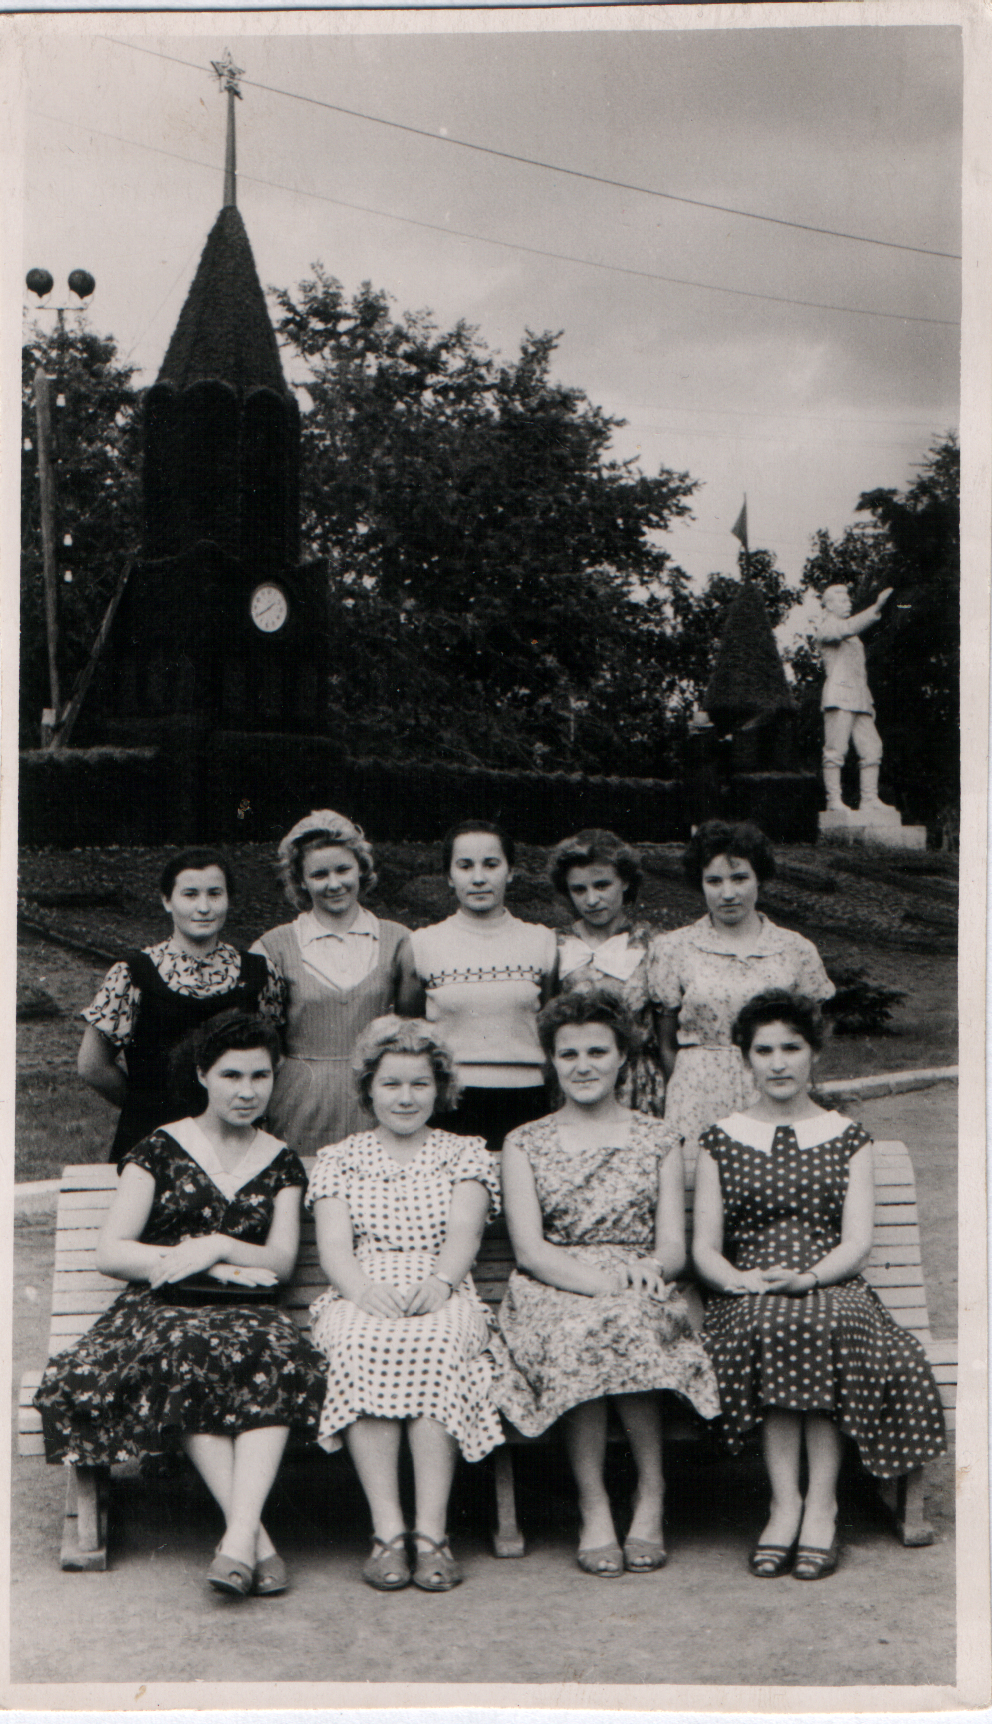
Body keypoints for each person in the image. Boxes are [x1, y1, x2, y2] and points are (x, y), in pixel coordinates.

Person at [34, 1011, 327, 1598]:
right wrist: (193, 1262)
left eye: (261, 1076)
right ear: (202, 1075)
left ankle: (239, 1539)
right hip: (163, 1306)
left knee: (278, 1353)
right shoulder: (160, 1148)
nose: (247, 1091)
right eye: (231, 1075)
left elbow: (280, 1262)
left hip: (248, 1310)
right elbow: (112, 1250)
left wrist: (217, 1246)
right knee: (186, 1349)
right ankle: (254, 1541)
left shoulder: (281, 1161)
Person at [692, 990, 946, 1581]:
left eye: (792, 1047)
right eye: (764, 1051)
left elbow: (856, 1243)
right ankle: (784, 1505)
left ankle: (822, 1505)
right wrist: (740, 1281)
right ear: (746, 1058)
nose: (778, 1063)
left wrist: (808, 1277)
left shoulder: (848, 1136)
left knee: (819, 1318)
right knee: (775, 1321)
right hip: (748, 1289)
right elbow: (705, 1246)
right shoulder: (720, 1138)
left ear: (814, 1054)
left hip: (832, 1282)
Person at [489, 987, 720, 1577]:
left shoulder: (659, 1138)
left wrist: (650, 1270)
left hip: (640, 1281)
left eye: (597, 1051)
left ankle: (651, 1492)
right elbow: (531, 1250)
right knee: (586, 1328)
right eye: (568, 1054)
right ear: (552, 1060)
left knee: (630, 1320)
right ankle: (593, 1505)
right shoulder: (525, 1142)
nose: (583, 1066)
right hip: (555, 1284)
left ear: (622, 1056)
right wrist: (603, 1285)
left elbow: (671, 1247)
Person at [307, 1016, 503, 1592]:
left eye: (420, 1083)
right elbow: (335, 1246)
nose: (405, 1097)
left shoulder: (464, 1153)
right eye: (391, 1084)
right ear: (369, 1089)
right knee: (357, 1341)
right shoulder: (339, 1158)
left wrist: (441, 1283)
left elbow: (465, 1232)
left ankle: (432, 1533)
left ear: (439, 1089)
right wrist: (361, 1291)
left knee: (438, 1342)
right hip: (362, 1287)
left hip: (440, 1285)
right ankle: (388, 1532)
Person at [647, 821, 834, 1171]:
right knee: (698, 1186)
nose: (728, 893)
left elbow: (811, 1035)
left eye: (739, 878)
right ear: (700, 883)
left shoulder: (795, 949)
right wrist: (689, 1084)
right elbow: (666, 1042)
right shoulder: (673, 948)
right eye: (714, 881)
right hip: (697, 1092)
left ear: (759, 878)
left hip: (773, 1083)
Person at [78, 849, 279, 1165]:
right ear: (167, 901)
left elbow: (274, 1057)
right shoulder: (132, 974)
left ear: (229, 899)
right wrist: (145, 1105)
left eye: (215, 893)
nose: (204, 907)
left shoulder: (259, 973)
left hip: (235, 1141)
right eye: (190, 894)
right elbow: (92, 1066)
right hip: (152, 1139)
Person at [251, 811, 421, 1158]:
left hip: (377, 1093)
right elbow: (262, 1038)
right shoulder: (272, 947)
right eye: (319, 874)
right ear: (301, 881)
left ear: (361, 868)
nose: (334, 884)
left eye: (343, 870)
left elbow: (411, 1026)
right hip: (301, 1099)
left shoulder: (400, 941)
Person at [410, 820, 557, 1150]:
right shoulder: (422, 944)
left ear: (510, 871)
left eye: (491, 864)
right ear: (450, 876)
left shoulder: (542, 942)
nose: (478, 878)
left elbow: (551, 1028)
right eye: (465, 866)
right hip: (450, 1102)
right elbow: (410, 1029)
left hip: (527, 1101)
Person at [549, 828, 664, 1115]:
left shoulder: (654, 943)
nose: (591, 900)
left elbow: (666, 1032)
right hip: (575, 1082)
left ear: (624, 881)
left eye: (602, 885)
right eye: (579, 889)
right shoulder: (554, 944)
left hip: (637, 1084)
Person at [815, 582, 897, 819]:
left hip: (859, 699)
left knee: (872, 748)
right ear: (829, 605)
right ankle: (833, 801)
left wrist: (868, 702)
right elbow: (849, 627)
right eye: (842, 600)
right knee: (835, 750)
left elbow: (859, 673)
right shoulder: (827, 628)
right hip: (838, 697)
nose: (848, 603)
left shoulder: (852, 638)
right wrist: (876, 608)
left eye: (848, 599)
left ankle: (869, 799)